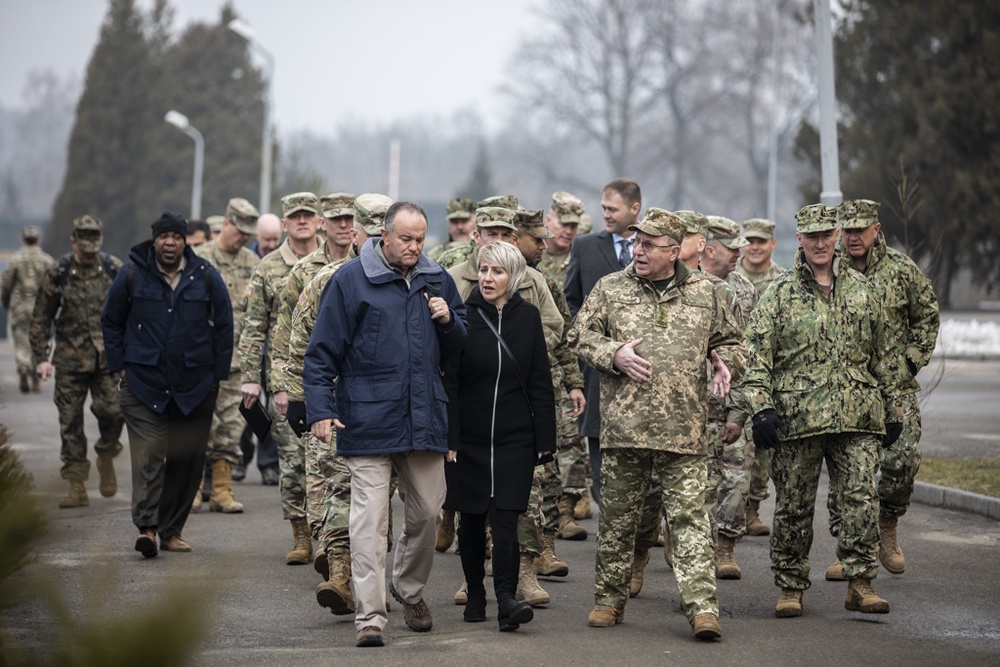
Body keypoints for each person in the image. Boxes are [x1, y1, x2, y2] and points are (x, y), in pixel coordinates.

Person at [568, 207, 746, 641]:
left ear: (674, 251)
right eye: (636, 242)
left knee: (689, 522)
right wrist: (614, 354)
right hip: (624, 428)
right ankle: (610, 601)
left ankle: (702, 609)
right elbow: (577, 335)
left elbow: (736, 343)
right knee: (617, 522)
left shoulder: (708, 292)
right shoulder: (612, 288)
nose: (638, 250)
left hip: (684, 432)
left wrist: (728, 364)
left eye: (649, 244)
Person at [303, 201, 467, 648]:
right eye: (406, 239)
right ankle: (370, 617)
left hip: (424, 417)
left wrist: (450, 320)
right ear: (383, 235)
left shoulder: (438, 278)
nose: (415, 247)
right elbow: (321, 353)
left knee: (430, 514)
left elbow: (463, 344)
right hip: (367, 416)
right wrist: (319, 409)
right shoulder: (350, 280)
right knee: (369, 524)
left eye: (420, 239)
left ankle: (408, 590)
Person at [742, 203, 901, 618]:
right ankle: (791, 586)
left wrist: (894, 408)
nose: (819, 243)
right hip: (798, 421)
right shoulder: (779, 295)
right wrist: (761, 409)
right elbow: (754, 358)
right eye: (810, 236)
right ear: (799, 239)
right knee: (794, 506)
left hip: (858, 418)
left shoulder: (863, 292)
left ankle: (860, 583)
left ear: (834, 237)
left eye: (824, 236)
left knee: (861, 501)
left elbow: (885, 357)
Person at [282, 193, 394, 616]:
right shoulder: (327, 279)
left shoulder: (412, 278)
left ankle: (371, 578)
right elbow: (300, 345)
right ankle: (342, 575)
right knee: (340, 489)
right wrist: (301, 400)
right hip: (334, 403)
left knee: (378, 497)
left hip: (386, 408)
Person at [102, 211, 233, 557]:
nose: (170, 242)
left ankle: (171, 531)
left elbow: (224, 324)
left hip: (194, 388)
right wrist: (120, 368)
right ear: (155, 240)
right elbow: (111, 322)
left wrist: (216, 376)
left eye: (176, 236)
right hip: (143, 385)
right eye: (164, 236)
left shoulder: (205, 275)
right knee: (150, 453)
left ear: (185, 240)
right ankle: (147, 527)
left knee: (186, 460)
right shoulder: (132, 275)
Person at [824, 199, 939, 580]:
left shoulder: (901, 270)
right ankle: (852, 550)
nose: (854, 237)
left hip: (894, 387)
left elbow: (927, 316)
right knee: (849, 476)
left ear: (876, 229)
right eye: (848, 230)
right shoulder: (830, 269)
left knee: (901, 463)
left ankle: (887, 525)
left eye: (861, 229)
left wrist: (910, 360)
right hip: (848, 388)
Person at [443, 241, 555, 631]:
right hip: (469, 439)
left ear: (514, 277)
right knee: (471, 519)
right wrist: (450, 437)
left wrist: (545, 438)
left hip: (515, 438)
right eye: (484, 271)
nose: (488, 279)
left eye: (497, 272)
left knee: (506, 519)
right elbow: (450, 382)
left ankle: (507, 599)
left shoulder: (528, 319)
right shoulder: (463, 316)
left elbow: (540, 379)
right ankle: (476, 593)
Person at [239, 192, 321, 565]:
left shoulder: (340, 261)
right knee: (292, 462)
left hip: (331, 379)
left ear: (319, 221)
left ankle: (332, 539)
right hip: (285, 377)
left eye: (309, 215)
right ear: (284, 224)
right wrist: (251, 378)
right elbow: (254, 328)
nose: (302, 221)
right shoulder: (268, 268)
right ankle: (301, 534)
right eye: (295, 216)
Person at [30, 215, 124, 508]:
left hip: (107, 358)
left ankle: (106, 453)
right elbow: (41, 318)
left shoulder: (113, 269)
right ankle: (76, 484)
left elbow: (131, 312)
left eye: (93, 246)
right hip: (70, 358)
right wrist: (42, 358)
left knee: (113, 412)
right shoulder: (58, 271)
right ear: (73, 241)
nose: (88, 252)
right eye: (83, 246)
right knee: (70, 422)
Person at [564, 178, 640, 504]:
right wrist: (591, 335)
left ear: (635, 209)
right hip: (597, 369)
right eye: (604, 208)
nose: (606, 215)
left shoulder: (654, 247)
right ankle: (608, 519)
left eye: (613, 209)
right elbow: (571, 299)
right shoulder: (585, 246)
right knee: (598, 444)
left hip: (642, 366)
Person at [192, 198, 260, 514]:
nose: (244, 237)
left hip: (238, 362)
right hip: (201, 359)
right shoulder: (199, 258)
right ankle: (191, 488)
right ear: (227, 223)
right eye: (240, 230)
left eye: (250, 232)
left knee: (231, 427)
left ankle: (221, 490)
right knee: (198, 423)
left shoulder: (253, 262)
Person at [736, 217, 786, 537]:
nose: (755, 247)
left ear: (772, 244)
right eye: (750, 241)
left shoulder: (782, 280)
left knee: (763, 447)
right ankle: (733, 511)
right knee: (737, 447)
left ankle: (753, 509)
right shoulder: (730, 277)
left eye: (761, 242)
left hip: (771, 373)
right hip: (737, 372)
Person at [238, 211, 283, 483]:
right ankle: (241, 459)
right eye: (267, 239)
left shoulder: (283, 262)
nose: (271, 244)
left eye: (276, 239)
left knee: (275, 411)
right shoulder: (249, 263)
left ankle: (268, 464)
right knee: (247, 409)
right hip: (254, 352)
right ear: (257, 236)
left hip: (276, 355)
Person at [2, 226, 54, 393]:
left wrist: (6, 303)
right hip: (41, 308)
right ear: (38, 240)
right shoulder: (47, 261)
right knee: (37, 342)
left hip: (20, 306)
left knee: (21, 341)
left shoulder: (16, 260)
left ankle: (23, 364)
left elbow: (5, 284)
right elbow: (55, 284)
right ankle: (35, 376)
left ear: (23, 240)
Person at [537, 191, 584, 286]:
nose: (569, 231)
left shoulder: (582, 258)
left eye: (573, 226)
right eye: (564, 225)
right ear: (548, 220)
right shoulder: (533, 254)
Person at [427, 197, 476, 262]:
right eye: (454, 222)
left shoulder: (485, 252)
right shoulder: (433, 256)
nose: (459, 227)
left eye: (464, 221)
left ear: (476, 222)